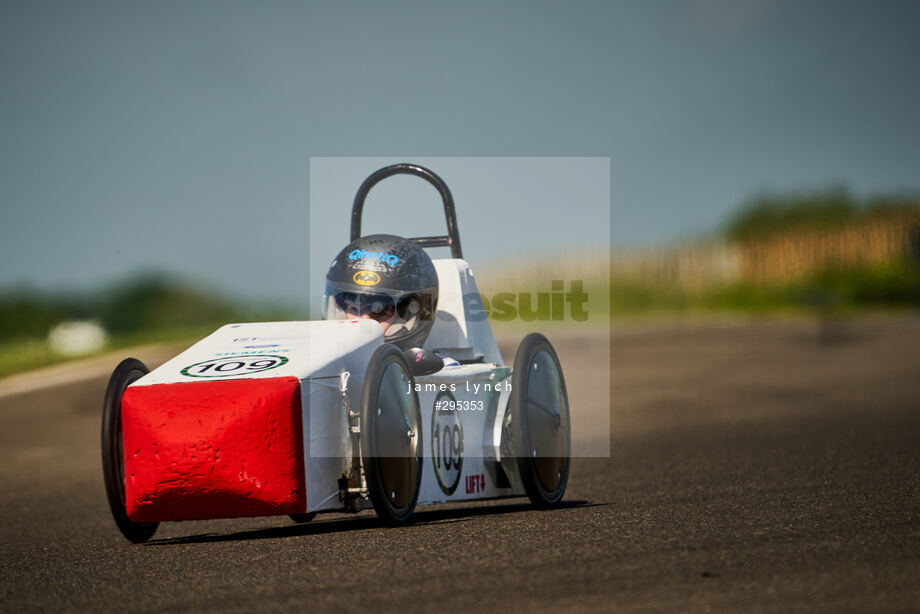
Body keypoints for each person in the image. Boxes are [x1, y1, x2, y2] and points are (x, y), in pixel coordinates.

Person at [324, 234, 440, 351]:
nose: (363, 323)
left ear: (408, 317)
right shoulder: (327, 364)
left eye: (378, 313)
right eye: (354, 309)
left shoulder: (440, 367)